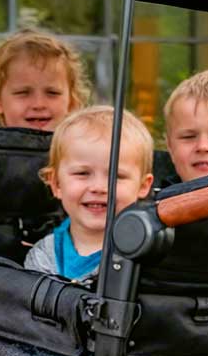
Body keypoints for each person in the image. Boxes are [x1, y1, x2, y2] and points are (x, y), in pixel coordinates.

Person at [25, 106, 155, 281]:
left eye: (116, 176)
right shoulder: (42, 257)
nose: (99, 187)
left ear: (143, 186)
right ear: (56, 183)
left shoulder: (149, 254)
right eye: (82, 173)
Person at [0, 30, 88, 130]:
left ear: (72, 102)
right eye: (23, 93)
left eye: (52, 93)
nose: (38, 104)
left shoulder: (88, 147)